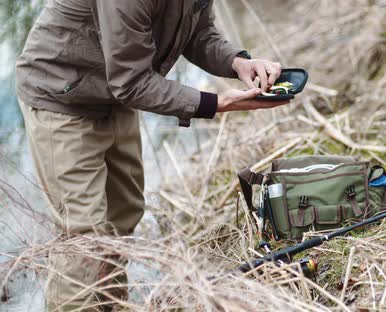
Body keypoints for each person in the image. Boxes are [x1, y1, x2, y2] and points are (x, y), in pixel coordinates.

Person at [15, 0, 289, 310]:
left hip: (113, 96)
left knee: (123, 215)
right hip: (61, 98)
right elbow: (130, 82)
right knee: (84, 236)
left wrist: (237, 62)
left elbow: (199, 32)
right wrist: (213, 103)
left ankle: (110, 306)